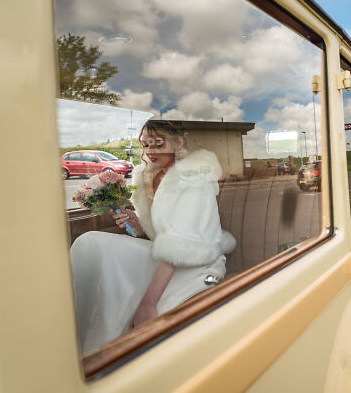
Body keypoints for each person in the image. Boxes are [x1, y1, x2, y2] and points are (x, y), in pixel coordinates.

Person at [70, 119, 235, 353]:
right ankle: (85, 341)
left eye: (157, 144)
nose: (149, 151)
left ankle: (108, 350)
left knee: (99, 251)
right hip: (161, 255)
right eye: (145, 145)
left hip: (197, 264)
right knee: (89, 244)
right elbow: (154, 233)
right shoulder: (145, 178)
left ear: (178, 143)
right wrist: (135, 223)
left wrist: (148, 304)